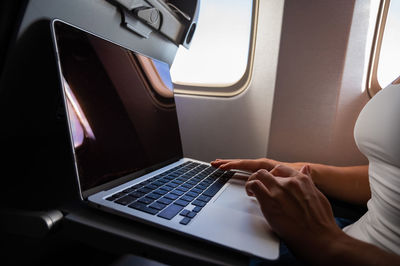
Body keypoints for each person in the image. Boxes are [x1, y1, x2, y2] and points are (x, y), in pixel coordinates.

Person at [210, 82, 400, 265]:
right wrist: (301, 172)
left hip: (346, 253)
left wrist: (329, 243)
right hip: (346, 234)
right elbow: (388, 172)